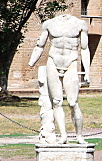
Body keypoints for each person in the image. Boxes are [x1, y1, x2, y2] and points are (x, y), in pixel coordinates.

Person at [28, 13, 91, 144]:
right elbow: (40, 45)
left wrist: (87, 72)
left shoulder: (80, 24)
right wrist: (31, 62)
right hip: (53, 61)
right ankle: (63, 136)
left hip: (71, 61)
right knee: (57, 102)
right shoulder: (49, 24)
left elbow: (85, 49)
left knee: (73, 102)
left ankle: (79, 136)